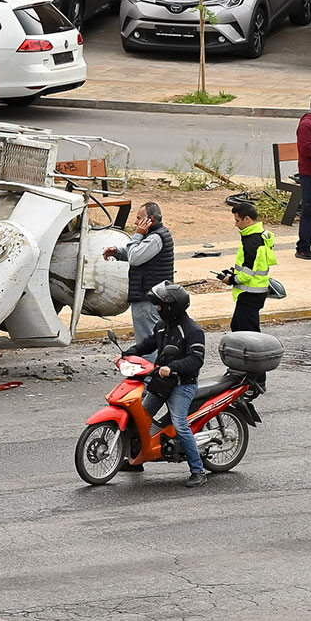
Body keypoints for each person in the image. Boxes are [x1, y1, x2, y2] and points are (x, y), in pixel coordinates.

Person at [124, 281, 210, 487]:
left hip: (182, 385)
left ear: (172, 307)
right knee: (139, 418)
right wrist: (128, 353)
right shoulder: (162, 326)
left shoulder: (192, 330)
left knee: (180, 424)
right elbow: (149, 343)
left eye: (160, 306)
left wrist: (173, 368)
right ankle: (137, 460)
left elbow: (196, 360)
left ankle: (198, 471)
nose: (158, 309)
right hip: (162, 382)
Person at [104, 203, 175, 344]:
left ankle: (151, 366)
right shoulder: (152, 235)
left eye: (139, 218)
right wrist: (118, 252)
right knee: (153, 339)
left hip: (147, 298)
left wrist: (137, 235)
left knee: (147, 341)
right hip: (151, 296)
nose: (136, 222)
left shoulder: (155, 237)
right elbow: (139, 253)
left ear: (150, 219)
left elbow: (135, 258)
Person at [223, 197, 276, 340]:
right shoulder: (260, 235)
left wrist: (232, 279)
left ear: (247, 219)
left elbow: (248, 272)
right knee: (241, 327)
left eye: (237, 221)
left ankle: (254, 359)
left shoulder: (251, 241)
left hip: (250, 293)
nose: (235, 224)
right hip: (256, 292)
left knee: (246, 332)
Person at [296, 96, 311, 259]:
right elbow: (308, 150)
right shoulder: (306, 125)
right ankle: (303, 247)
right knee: (309, 210)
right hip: (309, 175)